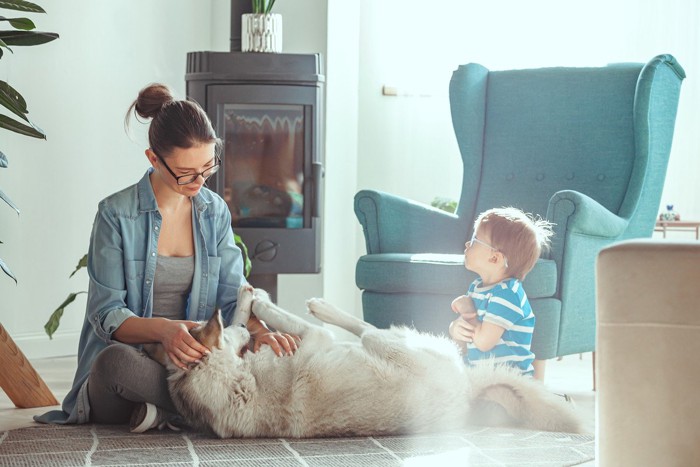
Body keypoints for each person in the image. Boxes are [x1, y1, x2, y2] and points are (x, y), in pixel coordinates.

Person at [35, 83, 297, 432]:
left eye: (208, 167)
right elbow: (106, 313)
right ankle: (205, 408)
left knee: (278, 353)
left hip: (195, 365)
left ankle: (166, 412)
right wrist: (164, 332)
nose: (199, 182)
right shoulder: (116, 215)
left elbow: (232, 290)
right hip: (137, 367)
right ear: (154, 159)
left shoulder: (213, 211)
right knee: (115, 364)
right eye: (187, 173)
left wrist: (260, 331)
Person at [448, 207, 553, 377]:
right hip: (481, 377)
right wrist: (455, 330)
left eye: (475, 239)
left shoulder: (508, 294)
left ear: (494, 258)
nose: (468, 244)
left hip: (509, 383)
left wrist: (468, 311)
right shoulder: (476, 287)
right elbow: (466, 343)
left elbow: (483, 343)